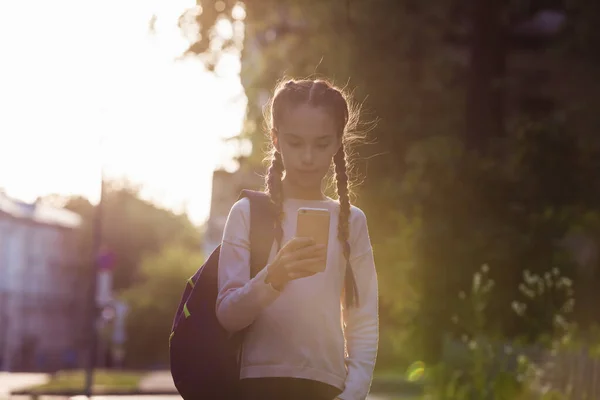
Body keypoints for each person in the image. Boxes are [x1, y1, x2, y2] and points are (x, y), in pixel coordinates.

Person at [216, 78, 379, 400]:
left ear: (337, 143)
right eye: (294, 142)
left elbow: (363, 315)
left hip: (326, 385)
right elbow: (228, 316)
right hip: (257, 383)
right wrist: (273, 277)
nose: (308, 157)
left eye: (321, 144)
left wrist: (354, 391)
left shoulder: (352, 221)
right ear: (275, 139)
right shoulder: (248, 213)